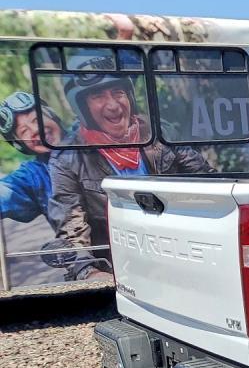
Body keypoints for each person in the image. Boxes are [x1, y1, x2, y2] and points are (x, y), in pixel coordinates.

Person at [49, 56, 212, 278]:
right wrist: (90, 272)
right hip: (118, 267)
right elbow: (72, 230)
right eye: (98, 96)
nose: (113, 105)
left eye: (118, 92)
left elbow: (206, 181)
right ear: (82, 107)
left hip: (178, 252)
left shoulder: (159, 133)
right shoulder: (68, 158)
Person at [0, 91, 66, 226]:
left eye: (37, 119)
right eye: (24, 131)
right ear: (20, 145)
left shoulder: (93, 136)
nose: (36, 130)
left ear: (52, 116)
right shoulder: (34, 176)